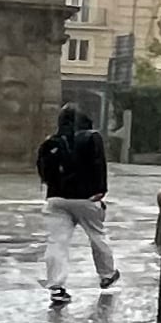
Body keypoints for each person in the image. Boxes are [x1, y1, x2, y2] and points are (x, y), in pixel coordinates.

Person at [35, 104, 119, 306]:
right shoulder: (91, 137)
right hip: (86, 198)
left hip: (56, 199)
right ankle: (107, 275)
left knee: (57, 243)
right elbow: (99, 164)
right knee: (97, 235)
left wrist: (53, 188)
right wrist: (101, 189)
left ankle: (56, 287)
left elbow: (42, 170)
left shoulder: (50, 142)